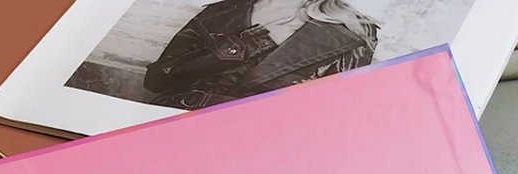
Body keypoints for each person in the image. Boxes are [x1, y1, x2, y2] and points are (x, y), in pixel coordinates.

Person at [144, 0, 378, 109]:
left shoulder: (352, 29)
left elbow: (335, 112)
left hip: (263, 143)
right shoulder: (222, 11)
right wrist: (246, 43)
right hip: (182, 122)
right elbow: (156, 80)